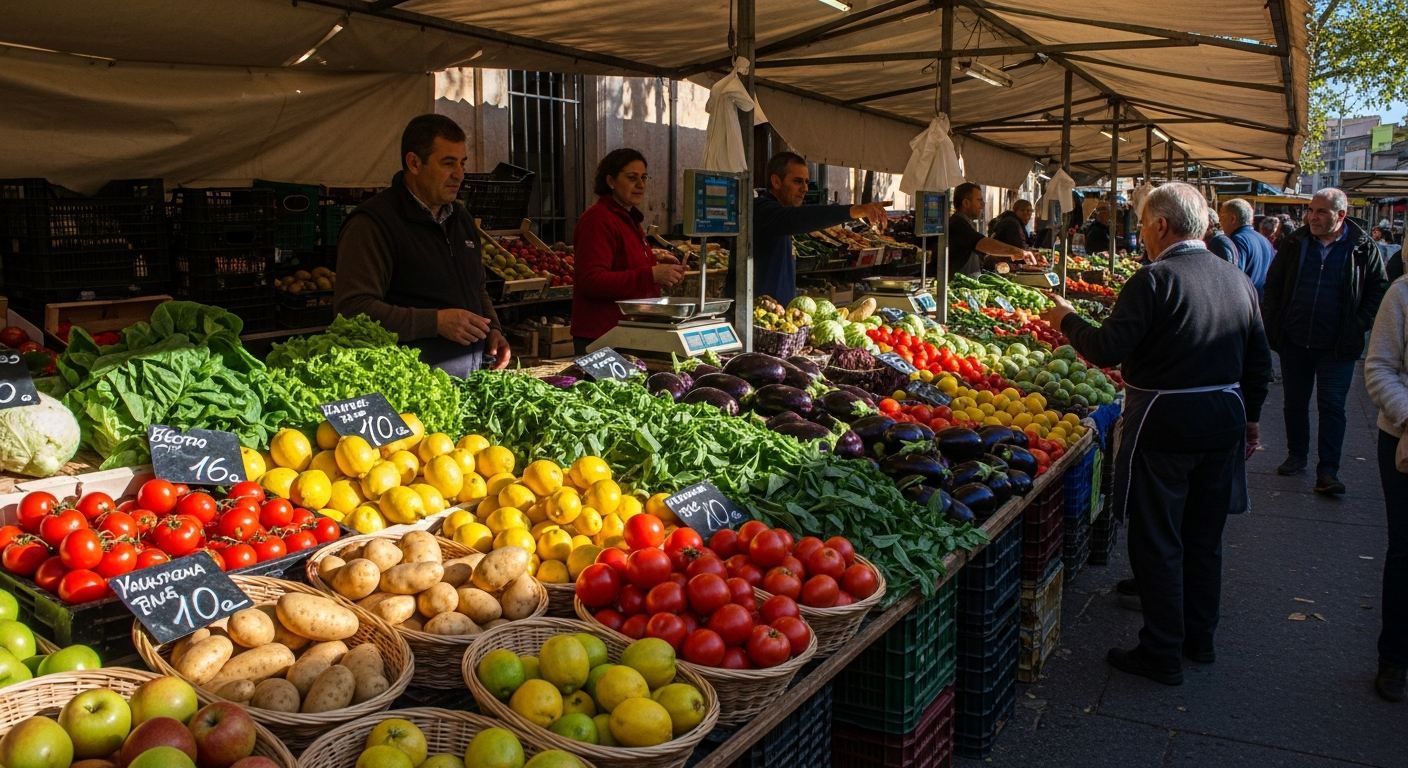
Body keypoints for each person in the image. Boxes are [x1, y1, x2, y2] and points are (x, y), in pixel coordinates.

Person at [1039, 182, 1272, 686]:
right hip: (1224, 420)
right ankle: (1199, 640)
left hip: (1166, 422)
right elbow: (1258, 361)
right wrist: (1251, 418)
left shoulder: (1155, 279)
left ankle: (1162, 650)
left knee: (1159, 537)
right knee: (1204, 539)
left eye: (1143, 223)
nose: (1140, 233)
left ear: (1161, 225)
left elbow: (1107, 348)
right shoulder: (1237, 280)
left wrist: (1065, 318)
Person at [335, 114, 510, 377]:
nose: (460, 175)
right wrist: (435, 322)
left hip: (470, 380)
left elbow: (477, 288)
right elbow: (352, 310)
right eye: (448, 163)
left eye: (462, 163)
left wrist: (493, 329)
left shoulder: (461, 219)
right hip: (408, 386)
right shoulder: (373, 223)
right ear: (414, 163)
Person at [1263, 188, 1389, 495]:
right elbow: (1274, 285)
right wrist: (1275, 327)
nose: (1312, 217)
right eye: (1311, 210)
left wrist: (1356, 326)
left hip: (1337, 347)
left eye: (1321, 212)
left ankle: (1328, 471)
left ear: (1340, 215)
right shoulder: (1296, 242)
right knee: (1294, 404)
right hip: (1295, 341)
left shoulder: (1361, 247)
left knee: (1332, 406)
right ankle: (1297, 455)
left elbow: (1377, 291)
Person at [723, 151, 889, 305]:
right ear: (776, 181)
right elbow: (799, 218)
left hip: (775, 317)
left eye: (806, 182)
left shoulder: (779, 211)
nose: (805, 188)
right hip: (751, 320)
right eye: (797, 181)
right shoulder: (761, 210)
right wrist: (855, 210)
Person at [570, 149, 685, 355]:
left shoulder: (627, 216)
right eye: (632, 178)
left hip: (629, 332)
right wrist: (651, 274)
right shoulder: (598, 219)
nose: (641, 185)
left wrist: (651, 257)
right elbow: (591, 280)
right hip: (603, 336)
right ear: (611, 181)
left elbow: (621, 259)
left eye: (644, 177)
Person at [1364, 279, 1408, 703]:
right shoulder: (1403, 293)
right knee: (1406, 551)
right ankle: (1395, 656)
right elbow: (1378, 368)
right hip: (1403, 442)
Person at [948, 183, 1038, 277]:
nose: (982, 205)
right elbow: (983, 243)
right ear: (966, 203)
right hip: (956, 283)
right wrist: (1019, 252)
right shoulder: (958, 224)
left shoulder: (964, 222)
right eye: (979, 200)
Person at [1221, 198, 1275, 301]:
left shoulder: (1237, 240)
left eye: (1222, 218)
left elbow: (1234, 279)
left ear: (1233, 219)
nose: (1220, 223)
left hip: (1246, 305)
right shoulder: (1264, 240)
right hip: (1262, 304)